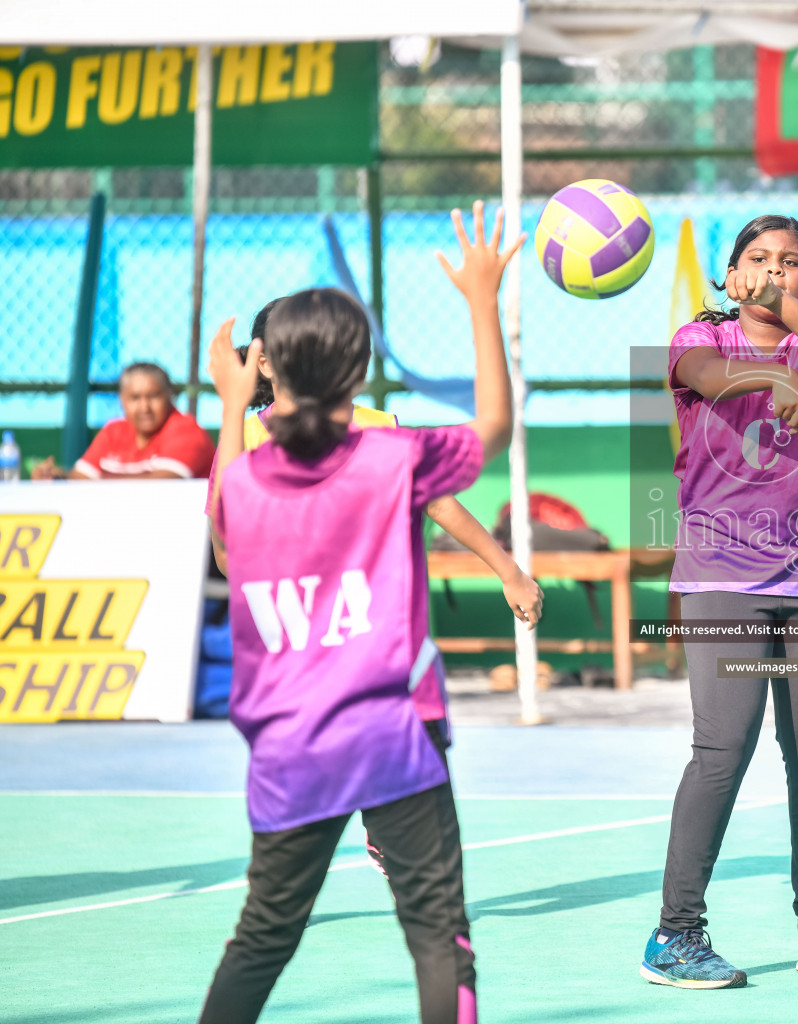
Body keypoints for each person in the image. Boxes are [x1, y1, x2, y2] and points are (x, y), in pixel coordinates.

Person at [198, 202, 517, 1024]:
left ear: (267, 368)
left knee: (261, 937)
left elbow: (227, 553)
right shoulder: (389, 457)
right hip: (394, 735)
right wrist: (482, 300)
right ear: (357, 368)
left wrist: (231, 404)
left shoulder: (246, 478)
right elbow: (492, 429)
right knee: (439, 935)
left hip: (288, 743)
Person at [230, 300, 544, 884]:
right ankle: (284, 893)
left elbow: (440, 499)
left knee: (394, 776)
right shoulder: (242, 441)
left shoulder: (379, 428)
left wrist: (506, 567)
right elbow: (229, 554)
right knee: (296, 831)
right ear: (263, 366)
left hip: (375, 643)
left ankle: (380, 841)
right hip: (300, 655)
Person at [642, 214, 798, 989]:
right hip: (720, 576)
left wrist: (789, 307)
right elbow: (707, 378)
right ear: (730, 274)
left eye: (793, 262)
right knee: (723, 750)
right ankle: (675, 935)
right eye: (759, 260)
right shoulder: (696, 340)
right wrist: (771, 376)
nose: (776, 271)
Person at [31, 361, 215, 480]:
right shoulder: (114, 431)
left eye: (153, 396)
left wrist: (99, 480)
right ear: (122, 400)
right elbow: (80, 479)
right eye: (135, 398)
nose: (145, 407)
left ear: (170, 395)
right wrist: (56, 478)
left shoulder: (187, 430)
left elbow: (158, 487)